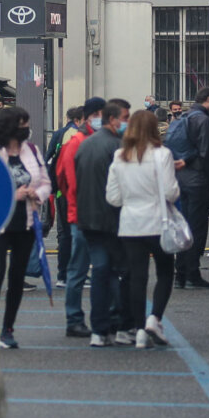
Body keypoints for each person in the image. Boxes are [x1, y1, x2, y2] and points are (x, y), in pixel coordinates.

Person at [107, 109, 181, 349]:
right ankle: (154, 317)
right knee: (165, 272)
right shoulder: (163, 155)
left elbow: (113, 198)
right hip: (159, 222)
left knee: (136, 278)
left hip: (130, 224)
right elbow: (171, 192)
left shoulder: (120, 156)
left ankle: (139, 330)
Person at [0, 107, 50, 349]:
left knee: (17, 277)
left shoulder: (32, 150)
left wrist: (36, 193)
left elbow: (46, 181)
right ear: (10, 126)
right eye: (23, 125)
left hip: (26, 223)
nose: (26, 129)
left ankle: (8, 329)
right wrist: (13, 194)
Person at [75, 100, 129, 347]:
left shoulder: (84, 145)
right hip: (113, 218)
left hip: (88, 217)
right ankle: (118, 323)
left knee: (100, 271)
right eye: (125, 117)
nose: (126, 122)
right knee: (119, 272)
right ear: (113, 119)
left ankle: (99, 329)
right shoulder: (118, 148)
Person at [55, 97, 106, 338]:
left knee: (101, 268)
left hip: (98, 215)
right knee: (79, 270)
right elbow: (65, 180)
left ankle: (99, 318)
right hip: (83, 216)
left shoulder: (97, 139)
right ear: (92, 115)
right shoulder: (76, 142)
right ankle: (74, 319)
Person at [167, 87, 209, 289]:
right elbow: (206, 153)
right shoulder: (203, 120)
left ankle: (180, 273)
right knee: (197, 229)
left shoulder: (183, 118)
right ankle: (192, 273)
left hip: (181, 179)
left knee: (184, 227)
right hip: (199, 181)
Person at [44, 104, 86, 288]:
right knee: (76, 234)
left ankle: (63, 275)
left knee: (64, 234)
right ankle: (73, 273)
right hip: (73, 191)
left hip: (60, 191)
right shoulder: (77, 136)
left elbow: (48, 158)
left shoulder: (58, 134)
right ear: (78, 120)